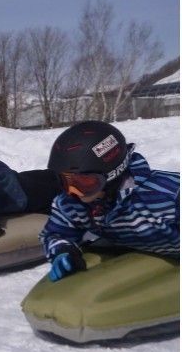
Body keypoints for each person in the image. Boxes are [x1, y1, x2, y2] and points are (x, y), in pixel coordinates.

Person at [39, 121, 179, 282]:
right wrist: (62, 249)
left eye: (83, 183)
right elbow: (56, 233)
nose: (72, 191)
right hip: (136, 258)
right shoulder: (71, 203)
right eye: (64, 181)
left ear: (112, 174)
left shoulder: (166, 194)